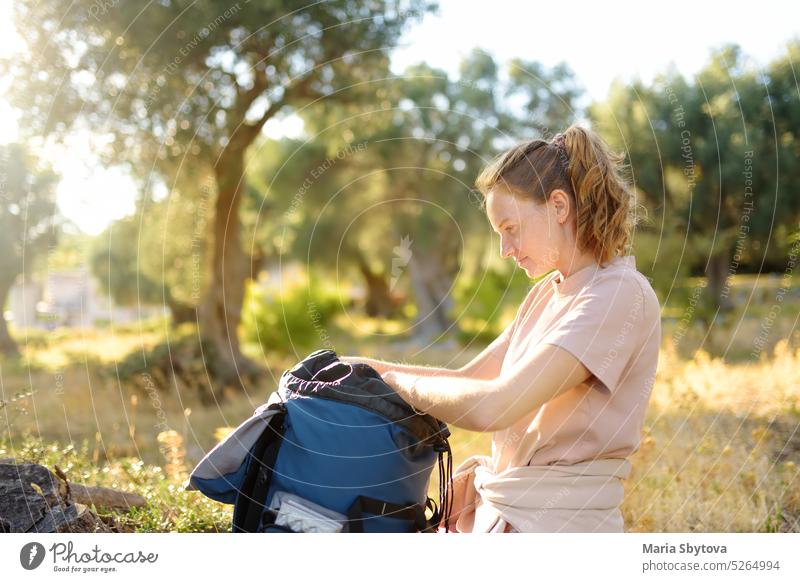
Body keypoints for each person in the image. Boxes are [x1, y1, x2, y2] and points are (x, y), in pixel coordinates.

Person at [341, 125, 661, 533]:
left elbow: (495, 405)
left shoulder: (619, 295)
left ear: (558, 206)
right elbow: (468, 379)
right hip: (510, 515)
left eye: (510, 228)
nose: (504, 250)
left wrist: (398, 383)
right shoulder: (548, 293)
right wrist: (366, 370)